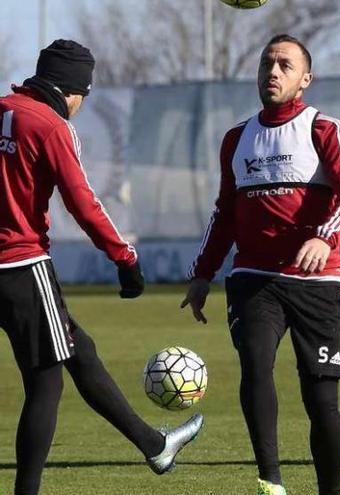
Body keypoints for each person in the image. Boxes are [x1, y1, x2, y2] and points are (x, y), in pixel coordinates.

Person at [0, 40, 204, 495]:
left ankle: (155, 445)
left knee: (79, 349)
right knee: (45, 383)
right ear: (75, 90)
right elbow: (83, 204)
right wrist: (125, 260)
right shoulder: (50, 125)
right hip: (19, 264)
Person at [181, 34, 340, 495]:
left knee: (321, 400)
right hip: (253, 279)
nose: (273, 72)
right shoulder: (236, 138)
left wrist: (325, 237)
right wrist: (203, 272)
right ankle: (271, 481)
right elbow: (224, 213)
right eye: (267, 63)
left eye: (285, 64)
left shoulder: (324, 129)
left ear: (305, 78)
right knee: (256, 366)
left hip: (317, 283)